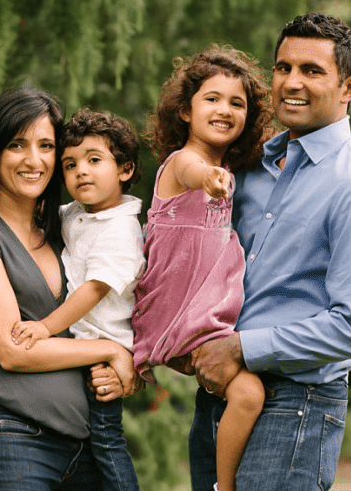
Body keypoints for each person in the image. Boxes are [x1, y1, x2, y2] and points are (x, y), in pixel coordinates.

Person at [187, 13, 351, 491]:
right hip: (222, 393)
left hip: (297, 401)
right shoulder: (247, 169)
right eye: (283, 68)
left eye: (311, 71)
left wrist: (242, 347)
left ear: (349, 87)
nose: (291, 82)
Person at [0, 88, 141, 491]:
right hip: (12, 441)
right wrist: (113, 350)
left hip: (86, 446)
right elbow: (12, 352)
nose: (34, 160)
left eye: (46, 146)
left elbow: (113, 305)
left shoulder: (67, 232)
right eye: (16, 145)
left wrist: (129, 367)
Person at [131, 44, 274, 491]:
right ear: (185, 112)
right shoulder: (184, 164)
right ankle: (224, 485)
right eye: (211, 98)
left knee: (241, 392)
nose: (225, 109)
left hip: (204, 318)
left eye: (237, 103)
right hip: (180, 315)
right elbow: (192, 169)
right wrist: (209, 179)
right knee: (249, 393)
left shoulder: (228, 166)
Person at [10, 108, 146, 491]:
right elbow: (39, 215)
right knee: (85, 443)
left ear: (125, 169)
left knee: (106, 441)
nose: (81, 171)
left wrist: (45, 327)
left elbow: (94, 289)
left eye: (94, 160)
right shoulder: (78, 213)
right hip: (79, 351)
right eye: (69, 165)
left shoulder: (121, 229)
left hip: (102, 353)